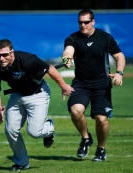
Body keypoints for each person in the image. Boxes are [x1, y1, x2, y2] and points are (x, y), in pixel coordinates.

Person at [0, 39, 74, 171]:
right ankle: (22, 162)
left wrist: (63, 86)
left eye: (5, 54)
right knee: (10, 129)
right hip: (17, 96)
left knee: (34, 132)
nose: (2, 58)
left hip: (37, 94)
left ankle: (49, 128)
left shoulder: (26, 59)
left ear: (12, 53)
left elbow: (50, 69)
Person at [62, 9, 126, 161]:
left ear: (93, 22)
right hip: (81, 84)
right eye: (80, 22)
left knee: (101, 119)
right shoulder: (72, 38)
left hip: (101, 85)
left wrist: (119, 72)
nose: (83, 25)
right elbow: (68, 51)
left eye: (86, 22)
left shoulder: (105, 37)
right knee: (76, 111)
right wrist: (67, 59)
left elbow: (119, 56)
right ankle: (85, 138)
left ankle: (101, 149)